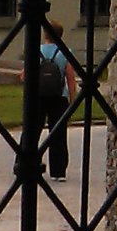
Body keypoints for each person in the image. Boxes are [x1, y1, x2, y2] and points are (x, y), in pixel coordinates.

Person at [38, 20, 76, 182]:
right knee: (58, 133)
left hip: (38, 96)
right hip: (59, 96)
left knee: (33, 131)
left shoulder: (37, 50)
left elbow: (27, 75)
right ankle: (58, 170)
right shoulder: (64, 52)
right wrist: (72, 99)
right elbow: (70, 77)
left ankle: (26, 161)